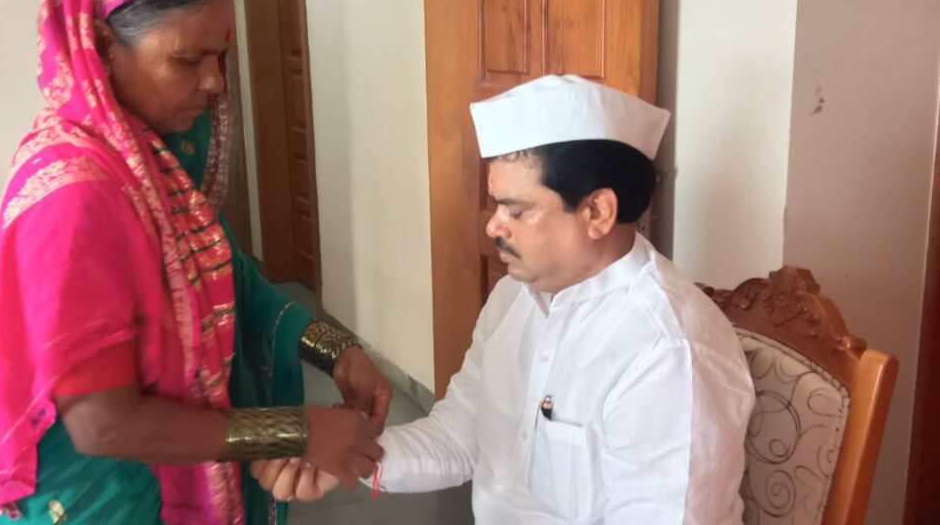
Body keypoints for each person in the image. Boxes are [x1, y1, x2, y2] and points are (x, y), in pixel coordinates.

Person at [0, 0, 389, 524]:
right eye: (187, 59)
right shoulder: (75, 195)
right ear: (100, 46)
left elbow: (228, 274)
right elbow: (102, 422)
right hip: (63, 495)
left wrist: (335, 349)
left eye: (221, 55)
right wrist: (295, 430)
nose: (214, 83)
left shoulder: (148, 161)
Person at [256, 74, 756, 524]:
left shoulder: (665, 353)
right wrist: (346, 455)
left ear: (598, 212)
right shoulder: (514, 297)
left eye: (516, 210)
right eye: (496, 205)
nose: (493, 226)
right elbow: (460, 436)